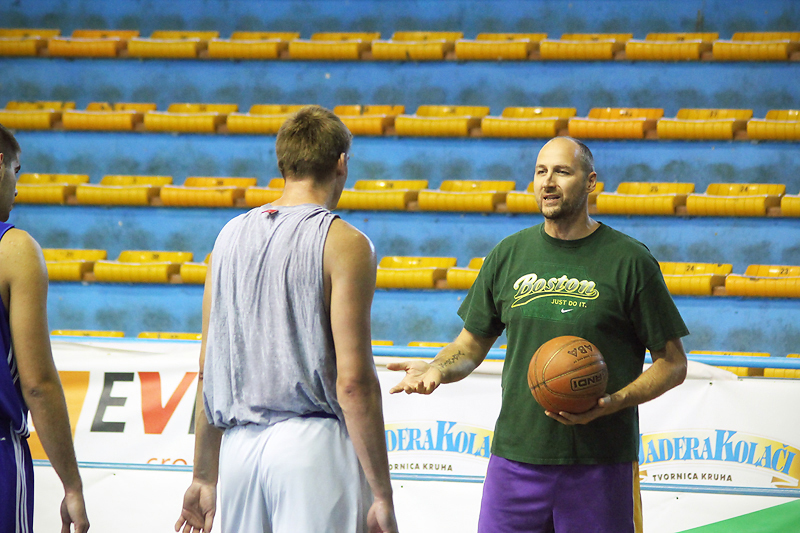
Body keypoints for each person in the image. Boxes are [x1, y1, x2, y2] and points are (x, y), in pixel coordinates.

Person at [389, 136, 689, 533]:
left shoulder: (630, 261)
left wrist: (615, 401)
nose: (548, 182)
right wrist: (438, 369)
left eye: (562, 171)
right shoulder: (508, 254)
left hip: (599, 464)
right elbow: (470, 343)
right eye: (540, 171)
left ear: (591, 181)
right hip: (515, 460)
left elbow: (673, 364)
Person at [176, 106, 398, 533]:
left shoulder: (227, 238)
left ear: (283, 164)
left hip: (238, 452)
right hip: (311, 449)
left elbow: (209, 370)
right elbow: (353, 382)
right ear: (341, 163)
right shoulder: (347, 242)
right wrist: (383, 493)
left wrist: (203, 476)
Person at [0, 123, 90, 533]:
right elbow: (37, 383)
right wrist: (71, 484)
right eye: (17, 174)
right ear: (0, 165)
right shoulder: (14, 250)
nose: (16, 192)